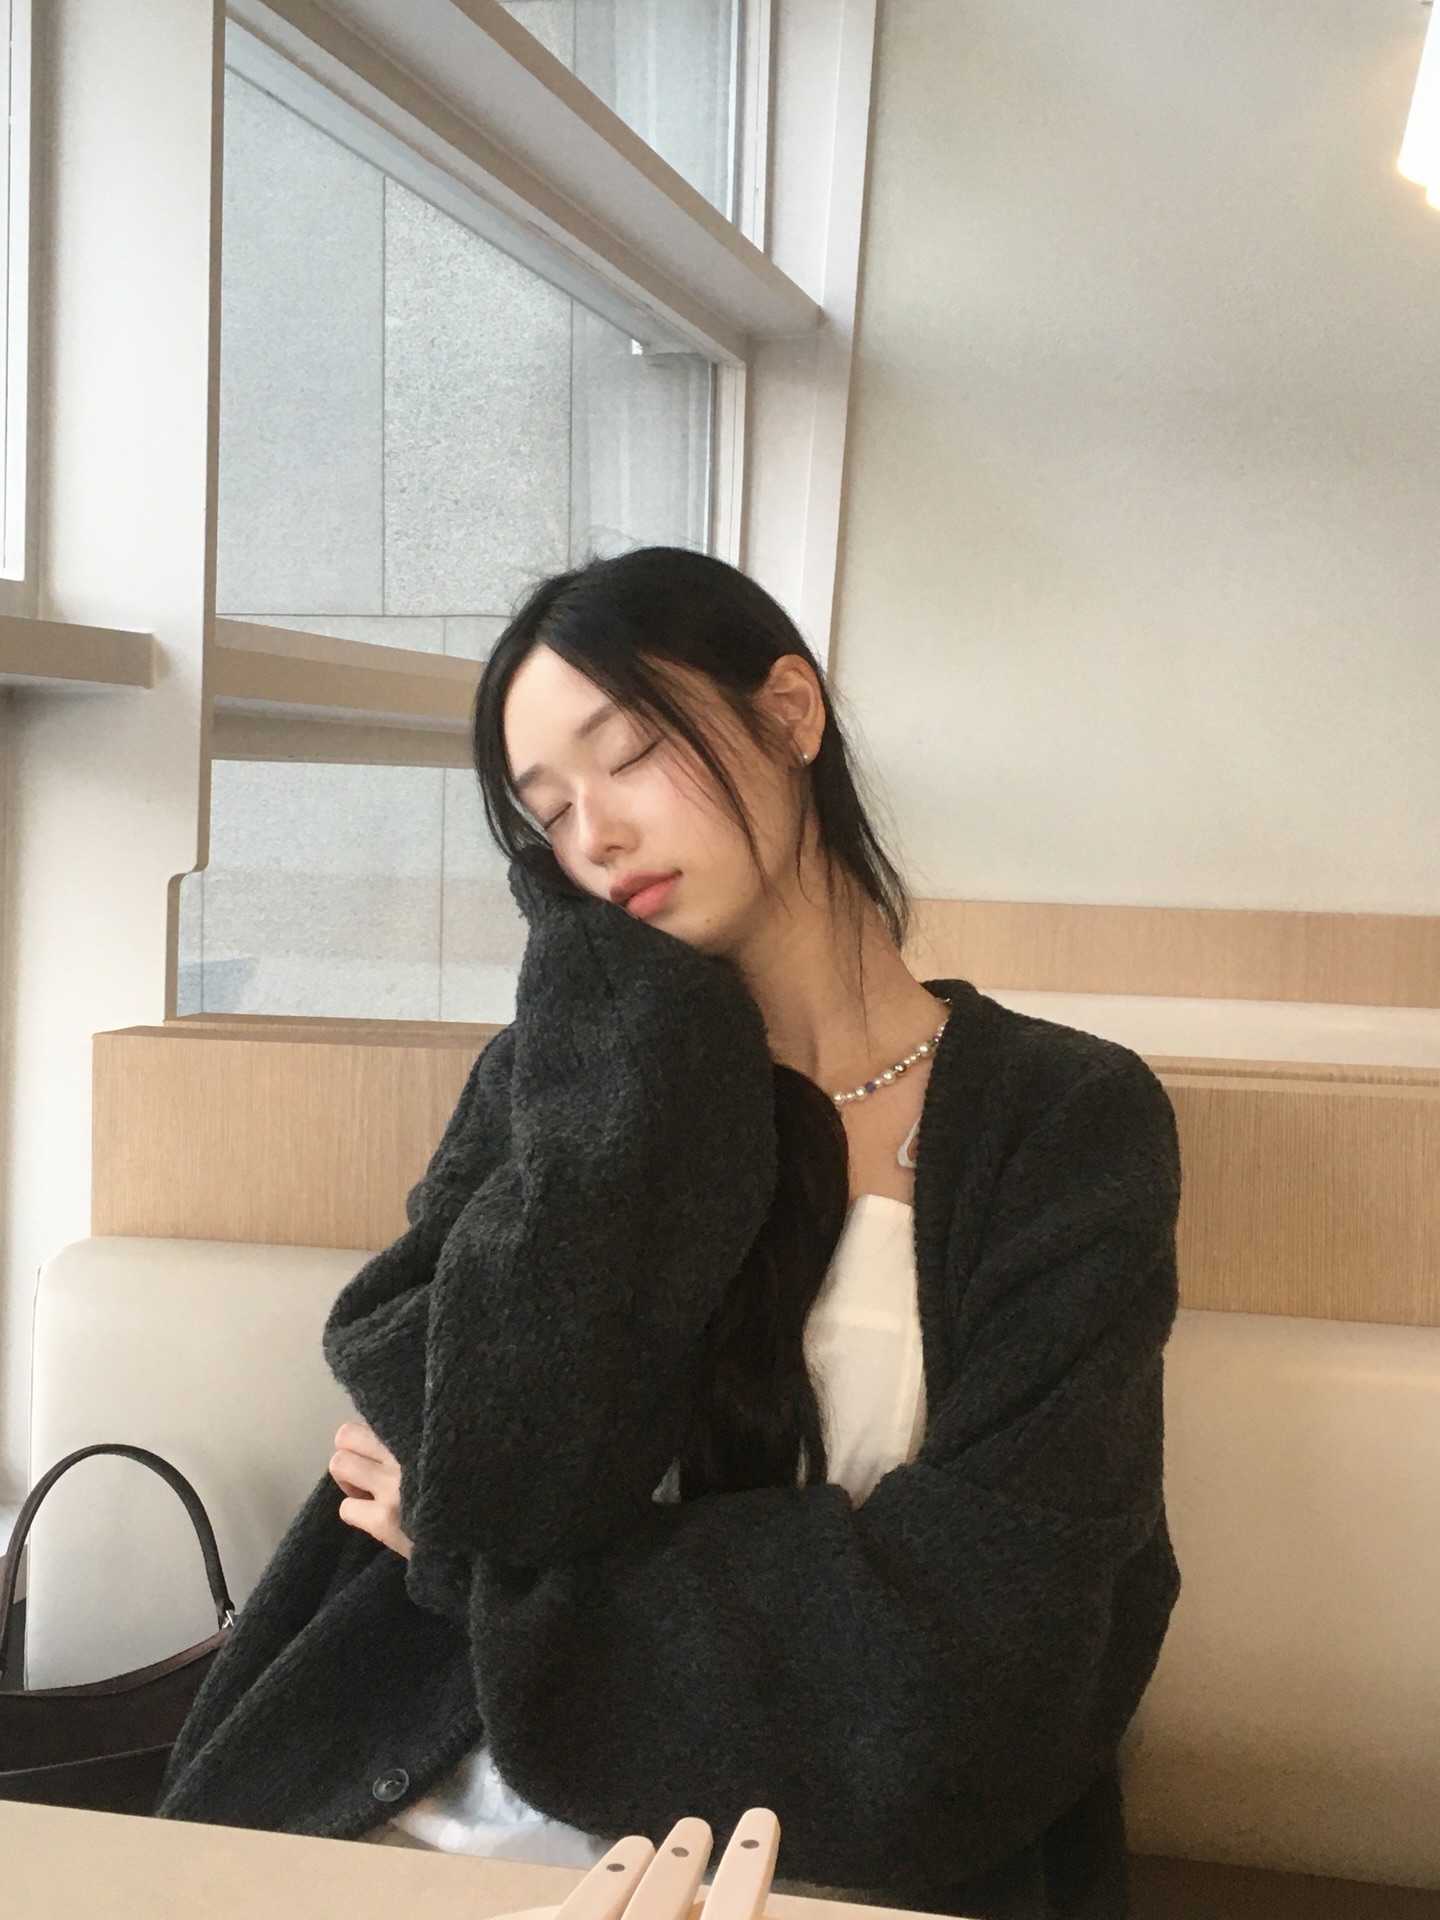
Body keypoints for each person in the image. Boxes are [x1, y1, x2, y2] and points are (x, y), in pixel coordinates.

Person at [156, 547, 1182, 1920]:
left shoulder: (1065, 1119)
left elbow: (991, 1647)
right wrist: (636, 1034)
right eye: (547, 814)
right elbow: (481, 1449)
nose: (593, 836)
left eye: (630, 754)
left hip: (818, 1852)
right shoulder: (573, 1079)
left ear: (790, 714)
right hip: (427, 1814)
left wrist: (488, 1571)